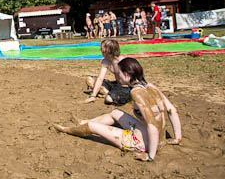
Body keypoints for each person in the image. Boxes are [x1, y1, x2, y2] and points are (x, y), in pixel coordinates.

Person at [52, 58, 182, 161]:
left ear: (126, 74)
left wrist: (150, 156)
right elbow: (172, 110)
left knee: (92, 127)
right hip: (159, 139)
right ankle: (82, 122)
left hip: (141, 143)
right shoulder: (150, 86)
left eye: (119, 74)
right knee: (115, 113)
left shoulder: (136, 93)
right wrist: (177, 138)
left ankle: (66, 129)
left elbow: (152, 125)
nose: (117, 78)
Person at [84, 39, 131, 105]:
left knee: (109, 99)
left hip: (126, 87)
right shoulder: (105, 61)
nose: (100, 50)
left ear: (109, 50)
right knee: (90, 79)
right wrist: (93, 96)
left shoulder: (123, 61)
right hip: (116, 84)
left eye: (102, 48)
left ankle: (111, 94)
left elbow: (135, 78)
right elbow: (100, 79)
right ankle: (108, 92)